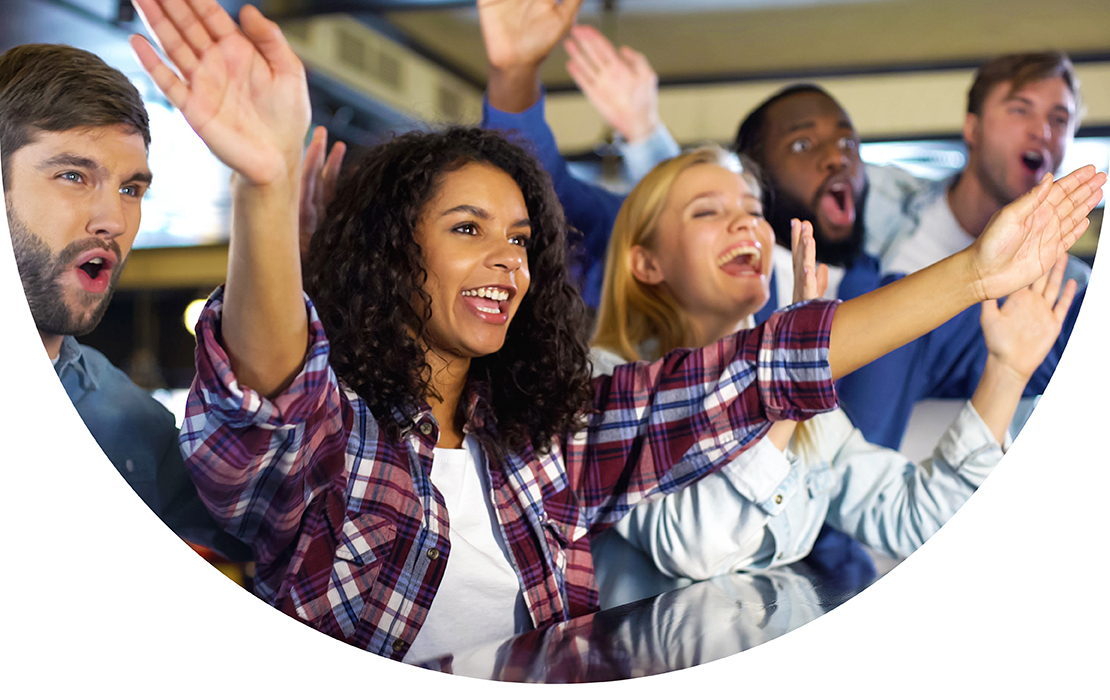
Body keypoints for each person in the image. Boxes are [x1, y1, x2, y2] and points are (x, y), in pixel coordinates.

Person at [131, 0, 1101, 664]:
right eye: (468, 231)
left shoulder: (557, 431)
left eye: (520, 237)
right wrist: (263, 187)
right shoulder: (340, 437)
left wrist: (982, 275)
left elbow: (759, 371)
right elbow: (264, 408)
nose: (507, 259)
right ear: (393, 253)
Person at [479, 11, 1088, 453]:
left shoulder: (917, 302)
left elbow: (1054, 347)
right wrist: (515, 72)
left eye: (848, 142)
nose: (838, 156)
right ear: (754, 176)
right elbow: (542, 195)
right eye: (804, 143)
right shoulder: (676, 255)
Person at [585, 146, 1076, 607]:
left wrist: (1007, 372)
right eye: (707, 211)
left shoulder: (817, 418)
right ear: (646, 263)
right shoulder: (603, 386)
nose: (747, 224)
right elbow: (696, 546)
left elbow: (919, 518)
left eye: (754, 210)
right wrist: (788, 379)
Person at [0, 42, 248, 559]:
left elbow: (268, 540)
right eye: (73, 176)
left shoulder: (133, 422)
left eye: (131, 189)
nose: (113, 219)